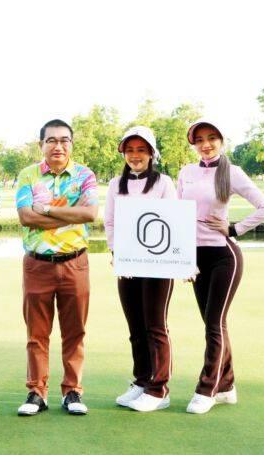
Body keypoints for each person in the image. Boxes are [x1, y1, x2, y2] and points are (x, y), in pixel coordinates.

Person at [178, 119, 264, 414]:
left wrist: (234, 229)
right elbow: (178, 215)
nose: (205, 144)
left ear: (221, 140)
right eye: (199, 140)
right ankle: (227, 386)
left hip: (223, 256)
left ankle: (206, 389)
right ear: (193, 144)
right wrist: (183, 259)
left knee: (213, 323)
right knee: (214, 323)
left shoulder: (232, 172)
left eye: (211, 138)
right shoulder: (186, 172)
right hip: (196, 258)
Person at [15, 119, 99, 416]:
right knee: (37, 334)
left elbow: (89, 214)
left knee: (74, 332)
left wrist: (49, 210)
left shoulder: (84, 175)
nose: (58, 146)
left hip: (75, 262)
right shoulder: (28, 175)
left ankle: (72, 391)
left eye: (64, 140)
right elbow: (26, 217)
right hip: (38, 264)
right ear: (42, 145)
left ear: (71, 144)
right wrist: (71, 214)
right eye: (51, 140)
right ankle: (37, 392)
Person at [104, 126, 177, 412]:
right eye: (130, 150)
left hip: (158, 264)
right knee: (135, 326)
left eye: (141, 150)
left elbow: (172, 221)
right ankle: (142, 380)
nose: (135, 155)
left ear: (151, 153)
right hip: (128, 263)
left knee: (155, 326)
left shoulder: (163, 183)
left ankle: (159, 389)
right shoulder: (115, 184)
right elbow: (110, 222)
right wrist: (116, 252)